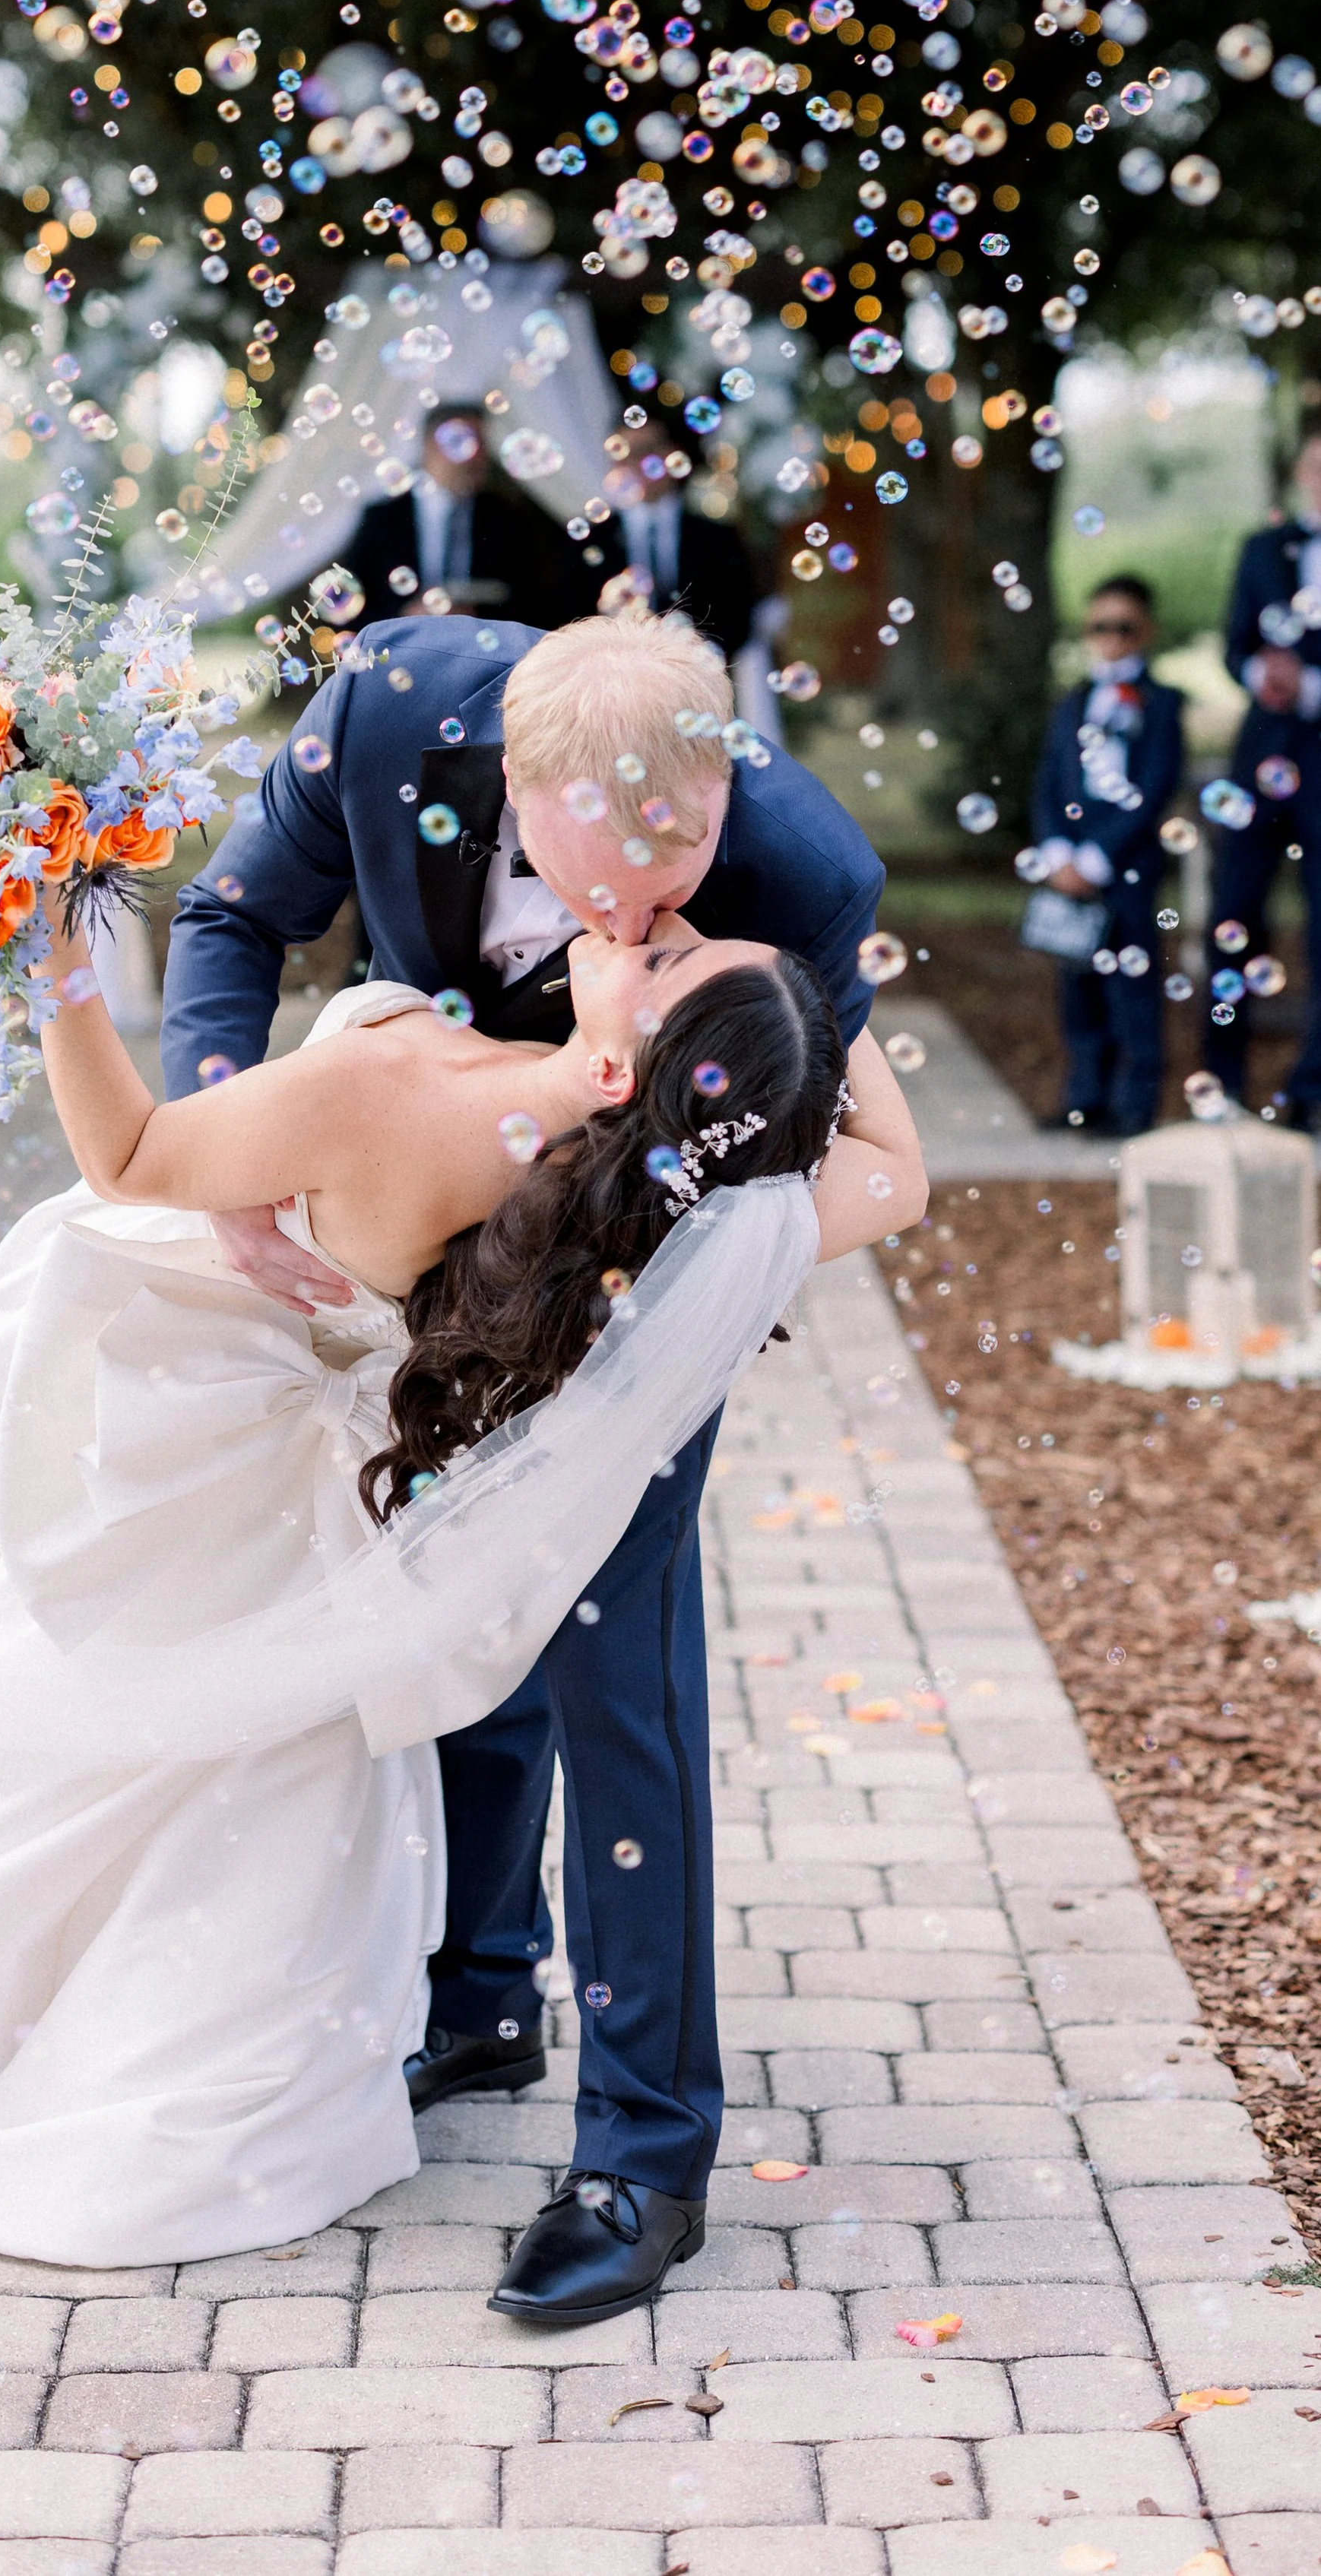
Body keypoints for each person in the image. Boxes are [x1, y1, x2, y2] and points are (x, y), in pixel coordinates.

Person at [0, 892, 924, 2271]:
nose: (655, 915)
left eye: (666, 959)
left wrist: (46, 936)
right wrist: (803, 985)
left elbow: (127, 1157)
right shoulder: (695, 1218)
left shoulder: (395, 1096)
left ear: (618, 1077)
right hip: (301, 1505)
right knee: (157, 1790)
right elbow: (896, 1174)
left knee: (17, 1754)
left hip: (190, 1457)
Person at [163, 610, 890, 2324]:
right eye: (598, 864)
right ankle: (478, 1997)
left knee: (609, 1656)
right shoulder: (382, 715)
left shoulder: (806, 877)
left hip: (650, 1260)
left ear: (728, 788)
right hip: (417, 1223)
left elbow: (814, 1162)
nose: (639, 905)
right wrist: (226, 1150)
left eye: (680, 856)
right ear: (513, 782)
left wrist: (644, 1295)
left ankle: (645, 2157)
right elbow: (226, 912)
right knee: (446, 1584)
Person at [1028, 575, 1183, 1139]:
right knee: (1078, 984)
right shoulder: (1072, 701)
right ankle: (1084, 1097)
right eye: (1100, 627)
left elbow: (1155, 784)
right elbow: (1048, 779)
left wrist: (1098, 856)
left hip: (1127, 865)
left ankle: (1134, 1104)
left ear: (1146, 632)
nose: (1111, 639)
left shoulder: (1162, 704)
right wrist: (1056, 849)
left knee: (1132, 986)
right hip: (1070, 860)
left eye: (1123, 628)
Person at [1205, 428, 1321, 1123]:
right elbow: (1235, 646)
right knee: (1234, 914)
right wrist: (1258, 673)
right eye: (1314, 465)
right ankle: (1222, 1083)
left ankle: (1312, 1092)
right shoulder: (1262, 549)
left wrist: (1304, 687)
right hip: (1258, 764)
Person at [338, 403, 581, 629]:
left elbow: (537, 601)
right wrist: (404, 619)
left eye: (481, 444)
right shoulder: (382, 518)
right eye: (461, 442)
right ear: (429, 446)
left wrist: (476, 615)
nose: (475, 456)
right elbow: (350, 603)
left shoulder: (508, 518)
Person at [588, 422, 758, 665]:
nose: (641, 462)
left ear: (674, 454)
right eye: (628, 453)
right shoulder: (592, 541)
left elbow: (737, 618)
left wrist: (692, 660)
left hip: (696, 677)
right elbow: (573, 616)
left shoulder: (717, 536)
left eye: (650, 450)